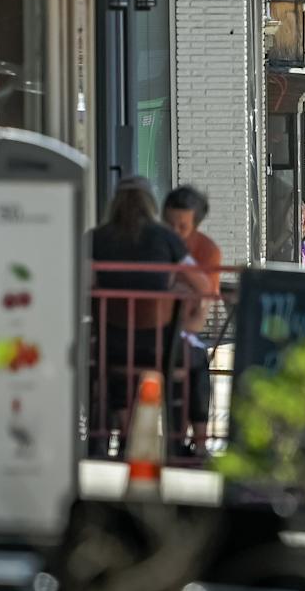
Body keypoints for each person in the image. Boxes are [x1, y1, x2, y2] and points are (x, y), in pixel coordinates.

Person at [89, 178, 202, 443]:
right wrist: (174, 286)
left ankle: (122, 433)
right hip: (161, 348)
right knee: (195, 358)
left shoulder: (95, 238)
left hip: (110, 346)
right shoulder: (167, 238)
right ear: (151, 204)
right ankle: (183, 439)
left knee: (111, 360)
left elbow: (77, 280)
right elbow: (202, 283)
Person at [160, 185, 223, 448]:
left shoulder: (207, 250)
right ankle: (177, 438)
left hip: (181, 330)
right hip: (148, 327)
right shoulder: (154, 242)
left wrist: (181, 331)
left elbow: (203, 309)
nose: (174, 231)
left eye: (182, 226)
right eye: (169, 223)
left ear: (195, 225)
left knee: (191, 359)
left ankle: (197, 439)